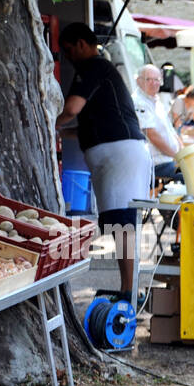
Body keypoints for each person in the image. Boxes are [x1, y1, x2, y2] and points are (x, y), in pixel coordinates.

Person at [55, 23, 150, 302]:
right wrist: (58, 131)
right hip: (114, 156)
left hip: (121, 156)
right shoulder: (99, 70)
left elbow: (72, 109)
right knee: (115, 224)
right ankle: (127, 288)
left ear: (83, 44)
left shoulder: (94, 67)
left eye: (70, 49)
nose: (69, 56)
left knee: (122, 224)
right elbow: (83, 127)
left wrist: (50, 123)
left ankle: (129, 290)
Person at [133, 65, 181, 183]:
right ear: (139, 81)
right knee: (191, 175)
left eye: (157, 80)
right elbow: (152, 134)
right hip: (157, 163)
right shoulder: (139, 102)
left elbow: (170, 130)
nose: (154, 83)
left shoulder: (156, 100)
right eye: (148, 79)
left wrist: (183, 151)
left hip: (169, 159)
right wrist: (176, 156)